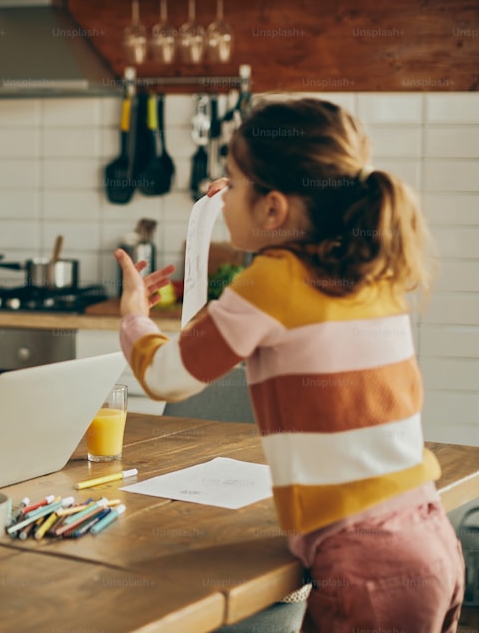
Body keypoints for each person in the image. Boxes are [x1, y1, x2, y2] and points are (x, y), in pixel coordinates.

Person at [116, 98, 463, 632]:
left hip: (363, 566)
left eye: (231, 181)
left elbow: (166, 376)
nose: (218, 194)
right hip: (427, 541)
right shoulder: (371, 268)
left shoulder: (271, 280)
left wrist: (135, 315)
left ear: (273, 208)